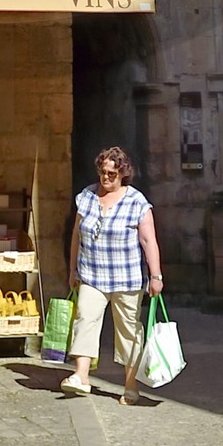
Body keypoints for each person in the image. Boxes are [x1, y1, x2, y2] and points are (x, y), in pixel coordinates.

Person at [62, 145, 162, 402]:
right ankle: (81, 376)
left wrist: (156, 275)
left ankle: (130, 386)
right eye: (103, 172)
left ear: (123, 174)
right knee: (85, 319)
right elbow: (76, 235)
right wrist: (72, 268)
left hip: (126, 279)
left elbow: (149, 240)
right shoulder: (86, 196)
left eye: (111, 174)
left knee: (128, 332)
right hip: (92, 275)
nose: (106, 178)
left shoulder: (137, 202)